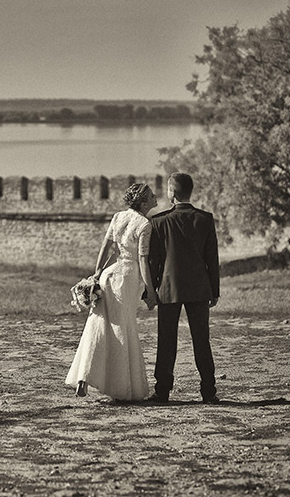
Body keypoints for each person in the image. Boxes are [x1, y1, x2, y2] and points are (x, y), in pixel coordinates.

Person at [65, 183, 159, 401]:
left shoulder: (118, 217)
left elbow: (106, 247)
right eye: (152, 196)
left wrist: (96, 273)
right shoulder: (144, 224)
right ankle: (122, 387)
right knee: (122, 327)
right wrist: (150, 290)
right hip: (127, 276)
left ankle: (84, 378)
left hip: (109, 274)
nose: (156, 198)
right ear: (143, 202)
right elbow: (143, 259)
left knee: (97, 325)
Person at [147, 172, 220, 404]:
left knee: (166, 341)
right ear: (190, 192)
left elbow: (154, 262)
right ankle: (209, 392)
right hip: (199, 287)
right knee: (202, 340)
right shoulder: (205, 219)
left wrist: (150, 289)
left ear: (172, 193)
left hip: (168, 288)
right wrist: (214, 290)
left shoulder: (159, 222)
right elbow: (212, 258)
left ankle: (162, 391)